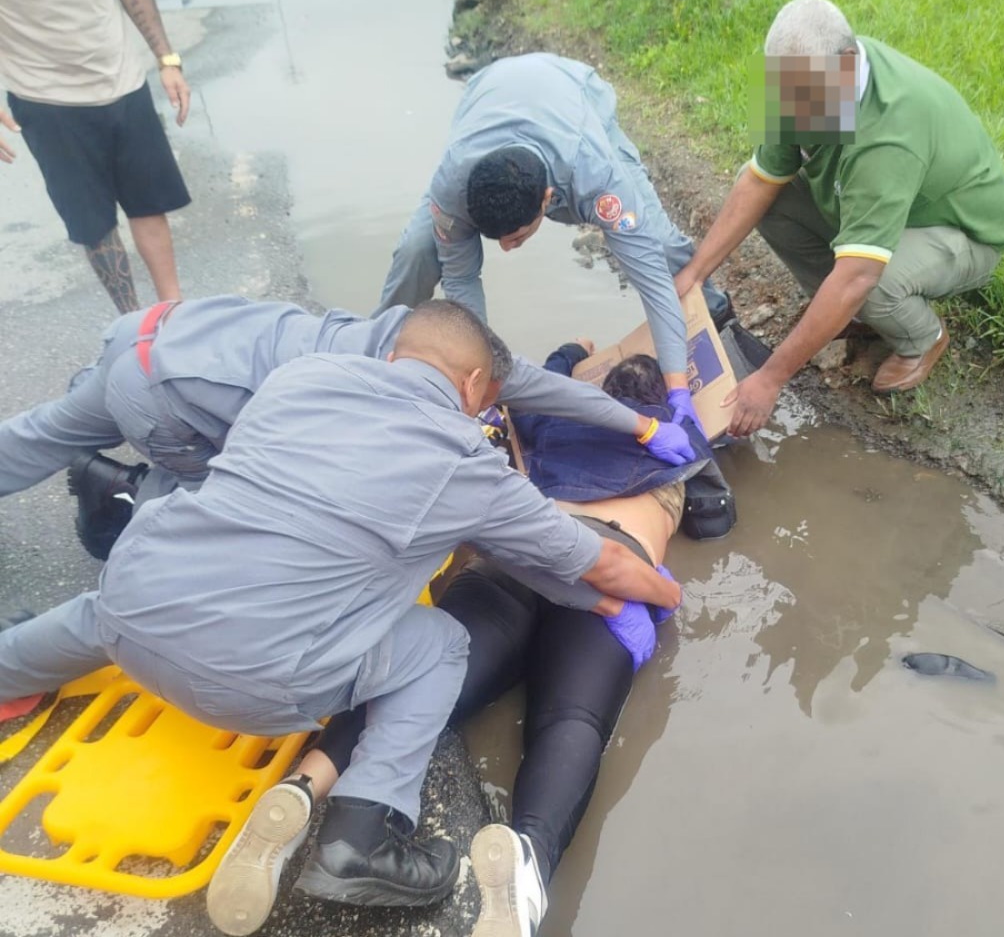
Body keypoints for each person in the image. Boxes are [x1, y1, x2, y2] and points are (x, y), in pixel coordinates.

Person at [0, 301, 683, 919]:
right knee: (450, 650)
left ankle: (11, 674)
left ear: (394, 352)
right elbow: (595, 560)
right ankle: (365, 833)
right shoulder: (465, 463)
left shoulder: (301, 378)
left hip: (131, 612)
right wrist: (663, 595)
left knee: (120, 601)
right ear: (475, 384)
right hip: (255, 681)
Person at [204, 347, 697, 936]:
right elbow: (717, 517)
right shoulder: (675, 440)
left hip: (521, 549)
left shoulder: (551, 418)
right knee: (571, 720)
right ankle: (527, 868)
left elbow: (528, 383)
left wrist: (575, 352)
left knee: (422, 679)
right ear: (658, 402)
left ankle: (304, 788)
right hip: (618, 571)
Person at [0, 295, 696, 558]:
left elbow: (535, 384)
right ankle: (124, 497)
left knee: (35, 438)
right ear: (469, 380)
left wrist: (638, 426)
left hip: (156, 333)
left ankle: (96, 458)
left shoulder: (416, 340)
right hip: (168, 393)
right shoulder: (372, 397)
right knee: (225, 506)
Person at [674, 0, 1004, 434]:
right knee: (769, 195)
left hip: (960, 229)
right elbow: (759, 182)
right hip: (885, 202)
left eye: (805, 103)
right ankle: (847, 314)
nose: (791, 114)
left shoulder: (888, 138)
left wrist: (770, 378)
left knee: (872, 285)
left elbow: (858, 277)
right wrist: (694, 274)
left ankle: (922, 338)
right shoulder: (806, 76)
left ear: (849, 64)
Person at [374, 51, 735, 434]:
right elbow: (462, 280)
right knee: (417, 250)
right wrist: (478, 382)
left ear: (548, 200)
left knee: (659, 245)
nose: (507, 249)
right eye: (497, 239)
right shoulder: (453, 186)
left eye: (516, 237)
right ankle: (378, 355)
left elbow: (652, 281)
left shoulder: (595, 174)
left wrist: (678, 390)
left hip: (570, 95)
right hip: (491, 91)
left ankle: (714, 314)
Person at [0, 0, 191, 313]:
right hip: (46, 97)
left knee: (149, 204)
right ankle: (132, 323)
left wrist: (167, 60)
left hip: (124, 80)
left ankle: (175, 315)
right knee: (95, 225)